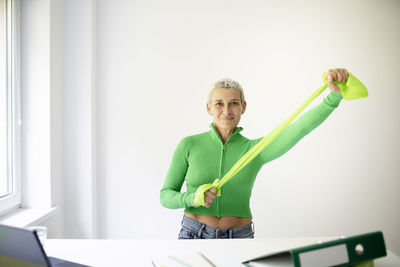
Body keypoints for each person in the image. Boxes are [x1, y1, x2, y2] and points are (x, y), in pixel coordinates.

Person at [160, 69, 349, 239]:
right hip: (194, 234)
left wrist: (334, 97)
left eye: (233, 103)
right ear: (208, 108)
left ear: (243, 107)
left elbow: (298, 129)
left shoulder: (256, 150)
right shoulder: (189, 145)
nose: (226, 111)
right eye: (219, 104)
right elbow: (166, 196)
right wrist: (192, 198)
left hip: (239, 237)